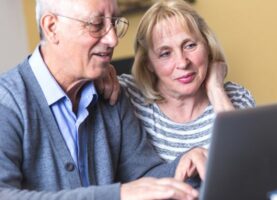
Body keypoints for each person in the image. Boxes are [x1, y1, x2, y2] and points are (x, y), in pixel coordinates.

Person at [0, 0, 207, 199]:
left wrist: (182, 166)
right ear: (52, 27)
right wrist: (118, 195)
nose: (113, 40)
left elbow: (143, 175)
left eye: (114, 23)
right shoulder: (8, 102)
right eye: (97, 25)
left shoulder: (110, 94)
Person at [113, 0, 256, 162]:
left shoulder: (236, 97)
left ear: (207, 45)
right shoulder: (127, 96)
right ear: (149, 64)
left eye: (189, 45)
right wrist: (105, 73)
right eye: (165, 53)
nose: (182, 62)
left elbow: (249, 164)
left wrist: (215, 88)